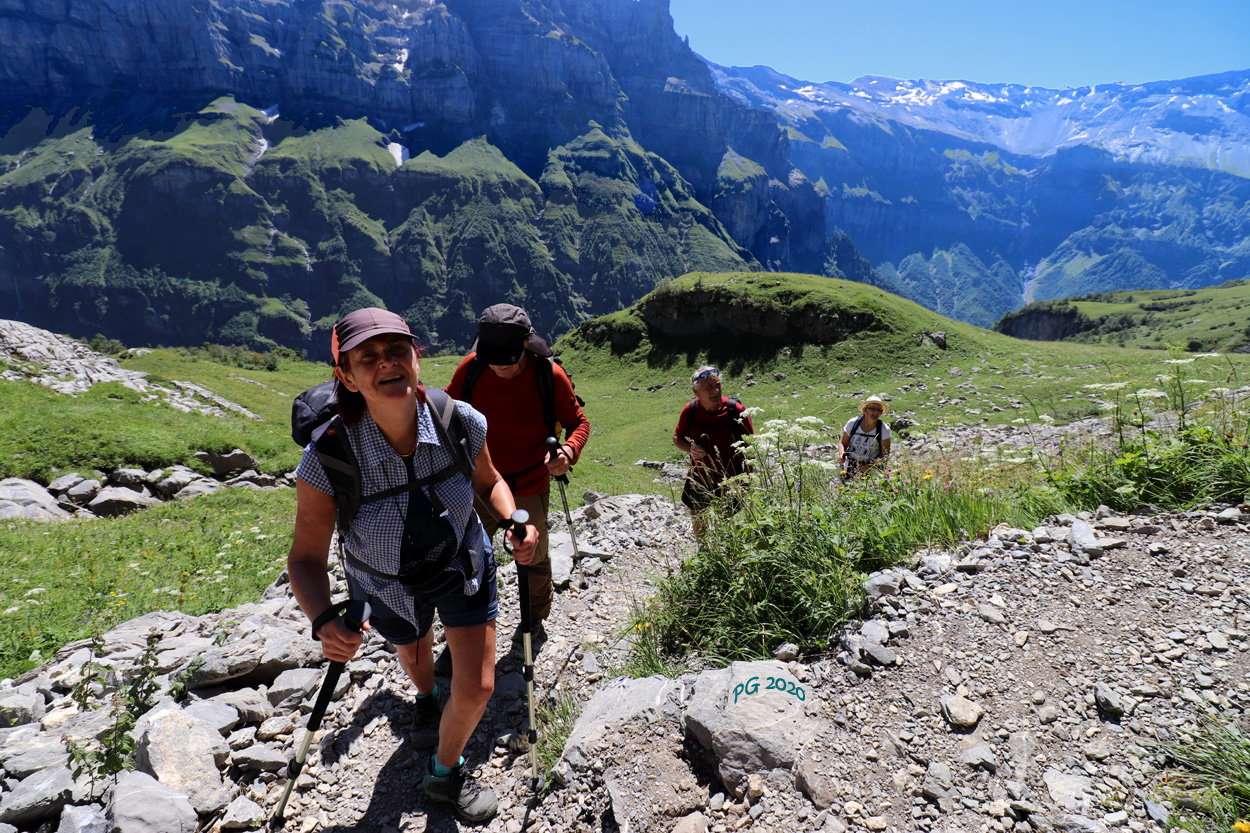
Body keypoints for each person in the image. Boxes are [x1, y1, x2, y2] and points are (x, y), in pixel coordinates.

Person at [287, 308, 538, 824]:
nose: (387, 364)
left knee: (479, 686)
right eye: (368, 357)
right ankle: (425, 697)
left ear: (416, 357)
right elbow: (305, 559)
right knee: (415, 655)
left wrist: (514, 518)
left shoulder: (459, 421)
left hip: (462, 562)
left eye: (397, 350)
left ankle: (444, 773)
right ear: (346, 377)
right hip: (385, 584)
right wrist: (322, 620)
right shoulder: (328, 458)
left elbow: (488, 481)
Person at [444, 304, 590, 651]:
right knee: (468, 554)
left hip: (528, 481)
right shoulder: (471, 368)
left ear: (526, 343)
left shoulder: (549, 374)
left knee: (532, 553)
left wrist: (568, 452)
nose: (499, 367)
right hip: (479, 483)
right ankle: (464, 632)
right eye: (493, 358)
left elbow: (579, 423)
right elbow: (446, 414)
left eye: (507, 359)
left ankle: (534, 619)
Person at [672, 365, 754, 537]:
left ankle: (726, 555)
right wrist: (691, 449)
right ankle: (703, 553)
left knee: (727, 520)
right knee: (698, 515)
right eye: (709, 387)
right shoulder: (691, 411)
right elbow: (677, 438)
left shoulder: (735, 410)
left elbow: (750, 446)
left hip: (732, 477)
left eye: (717, 385)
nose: (715, 390)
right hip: (700, 476)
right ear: (697, 392)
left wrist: (747, 479)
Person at [838, 395, 893, 479]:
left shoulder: (884, 429)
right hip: (849, 466)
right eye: (872, 408)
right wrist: (841, 454)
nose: (876, 412)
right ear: (864, 410)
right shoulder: (853, 423)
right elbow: (843, 443)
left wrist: (871, 466)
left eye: (879, 410)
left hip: (872, 470)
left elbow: (885, 455)